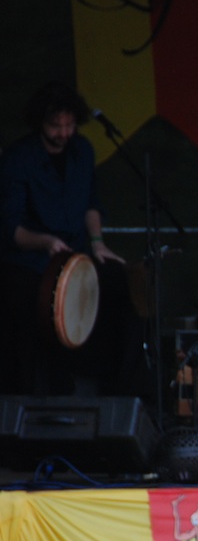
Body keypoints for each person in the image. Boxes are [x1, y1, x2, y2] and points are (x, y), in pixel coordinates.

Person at [1, 81, 137, 396]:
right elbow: (11, 230)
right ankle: (38, 389)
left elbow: (91, 203)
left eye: (69, 125)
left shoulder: (82, 151)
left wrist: (98, 242)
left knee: (121, 284)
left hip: (75, 256)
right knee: (28, 300)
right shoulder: (19, 158)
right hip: (31, 261)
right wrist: (46, 242)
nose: (63, 133)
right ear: (41, 122)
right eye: (55, 126)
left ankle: (118, 389)